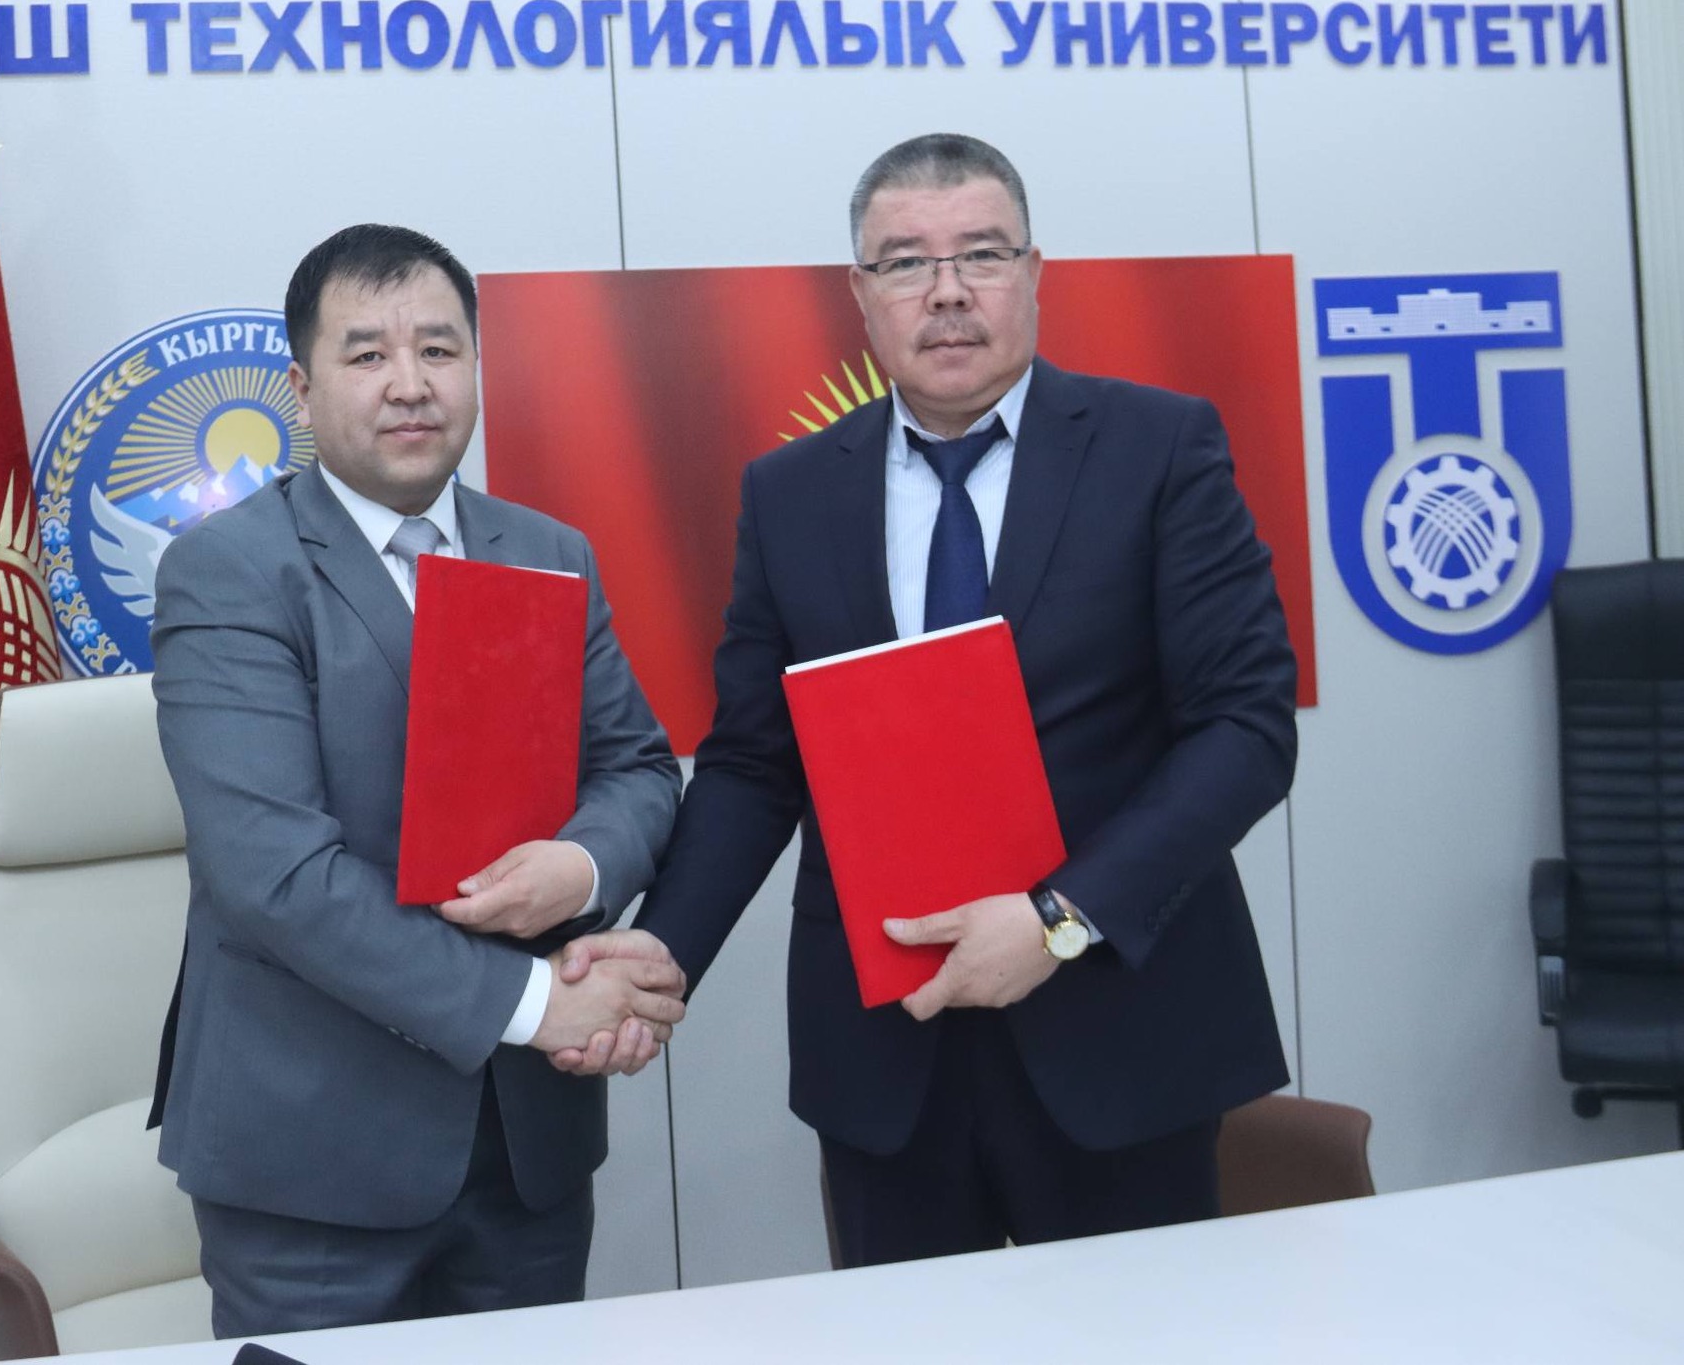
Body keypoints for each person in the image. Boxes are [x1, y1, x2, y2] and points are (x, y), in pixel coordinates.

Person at [562, 133, 1297, 1264]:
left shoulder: (1156, 448)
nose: (947, 291)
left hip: (1119, 1035)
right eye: (905, 262)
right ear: (860, 296)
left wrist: (1058, 920)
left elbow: (1243, 730)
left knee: (1136, 1339)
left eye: (982, 254)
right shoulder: (790, 492)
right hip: (885, 1059)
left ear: (1034, 273)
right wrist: (663, 947)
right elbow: (756, 762)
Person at [148, 223, 685, 1334]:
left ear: (475, 368)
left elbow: (635, 767)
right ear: (302, 389)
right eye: (367, 354)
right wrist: (542, 1006)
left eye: (438, 350)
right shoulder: (230, 570)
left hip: (527, 1152)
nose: (409, 384)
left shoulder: (548, 552)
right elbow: (273, 877)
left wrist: (581, 867)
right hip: (314, 1164)